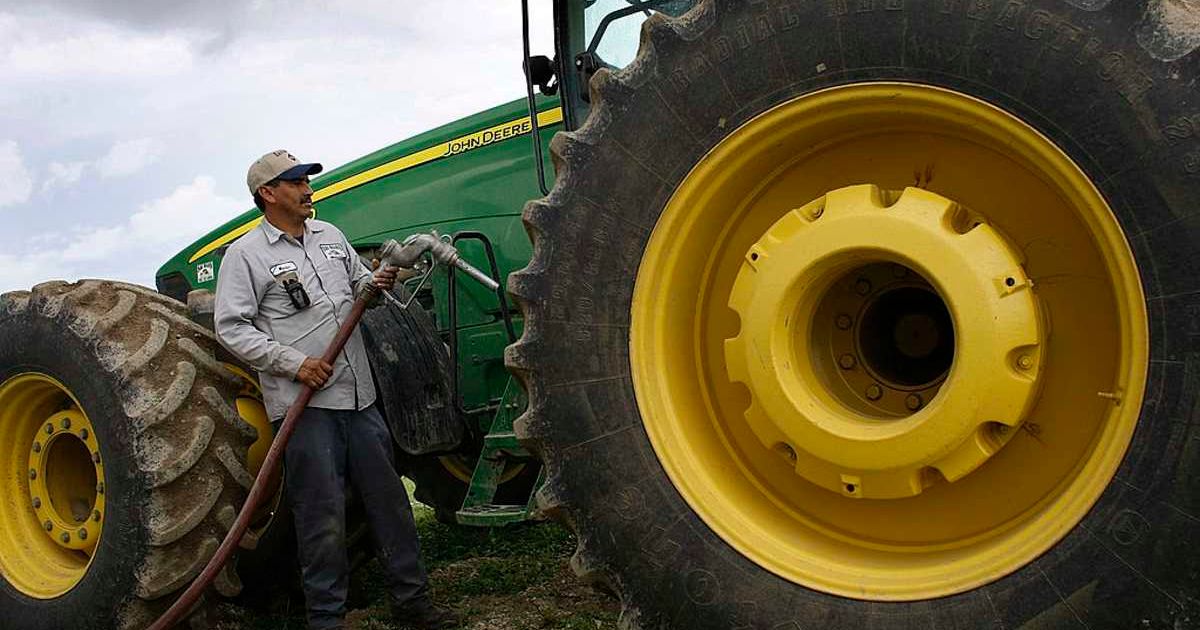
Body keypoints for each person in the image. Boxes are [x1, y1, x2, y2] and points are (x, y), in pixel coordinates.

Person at [214, 150, 458, 630]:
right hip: (306, 412)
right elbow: (231, 327)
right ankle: (326, 621)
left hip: (359, 397)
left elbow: (361, 288)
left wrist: (380, 280)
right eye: (296, 181)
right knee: (321, 519)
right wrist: (296, 364)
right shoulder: (247, 256)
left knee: (390, 505)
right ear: (268, 194)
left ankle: (414, 606)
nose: (308, 189)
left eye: (307, 180)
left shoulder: (331, 237)